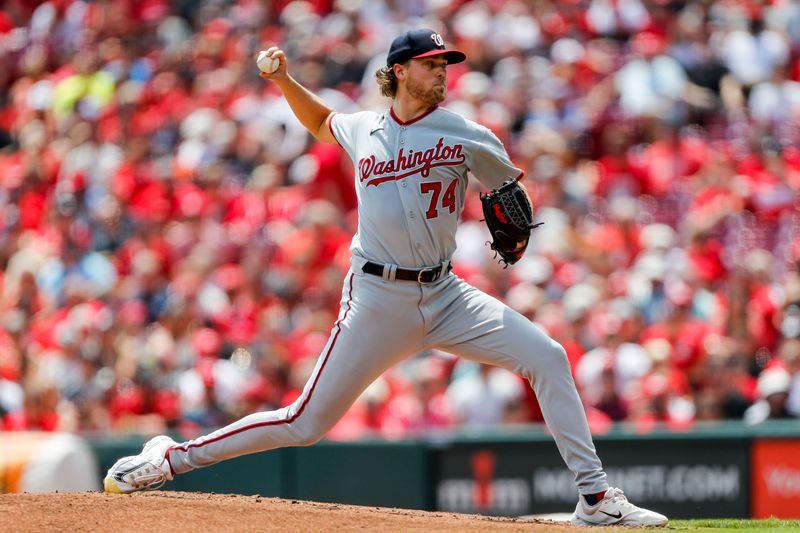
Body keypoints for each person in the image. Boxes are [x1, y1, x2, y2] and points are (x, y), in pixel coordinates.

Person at [104, 28, 667, 527]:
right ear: (400, 70)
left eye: (446, 64)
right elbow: (322, 121)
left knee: (548, 356)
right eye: (431, 63)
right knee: (304, 421)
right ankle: (170, 458)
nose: (442, 71)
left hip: (447, 294)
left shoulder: (470, 134)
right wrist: (284, 80)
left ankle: (595, 499)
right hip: (376, 296)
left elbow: (508, 195)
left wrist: (511, 215)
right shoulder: (363, 127)